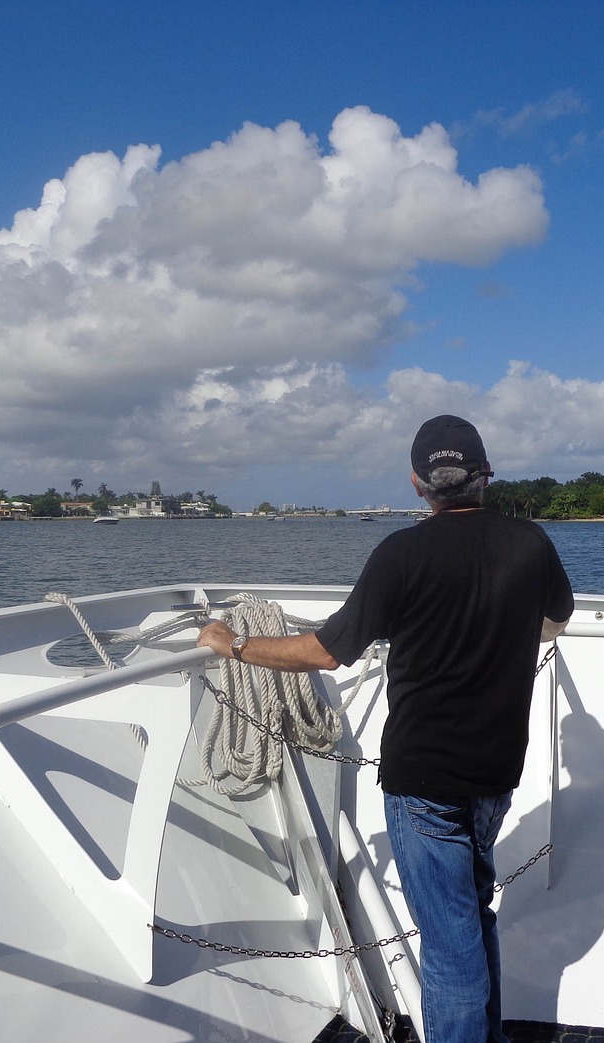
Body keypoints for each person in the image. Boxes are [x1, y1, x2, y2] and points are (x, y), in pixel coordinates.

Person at [198, 414, 573, 1043]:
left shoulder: (400, 554)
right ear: (486, 474)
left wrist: (232, 645)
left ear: (418, 485)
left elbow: (326, 651)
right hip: (495, 771)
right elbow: (555, 621)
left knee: (451, 948)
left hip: (422, 779)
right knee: (473, 915)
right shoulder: (531, 543)